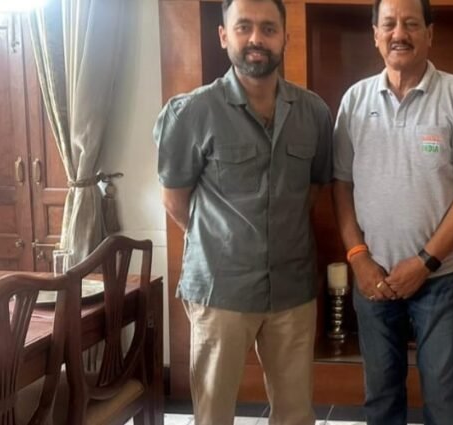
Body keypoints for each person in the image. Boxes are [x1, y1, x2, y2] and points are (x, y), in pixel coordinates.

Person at [154, 0, 333, 423]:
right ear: (223, 36)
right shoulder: (191, 112)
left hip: (292, 289)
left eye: (269, 29)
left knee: (295, 414)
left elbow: (313, 189)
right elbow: (174, 199)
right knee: (213, 414)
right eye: (244, 27)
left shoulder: (314, 113)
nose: (256, 39)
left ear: (285, 37)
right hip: (220, 290)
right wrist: (225, 242)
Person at [331, 0, 453, 422]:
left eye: (410, 24)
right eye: (388, 24)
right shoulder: (354, 100)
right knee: (381, 401)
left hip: (441, 279)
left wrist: (424, 262)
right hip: (374, 278)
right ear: (375, 34)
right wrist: (358, 257)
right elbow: (341, 186)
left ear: (430, 33)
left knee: (445, 402)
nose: (399, 34)